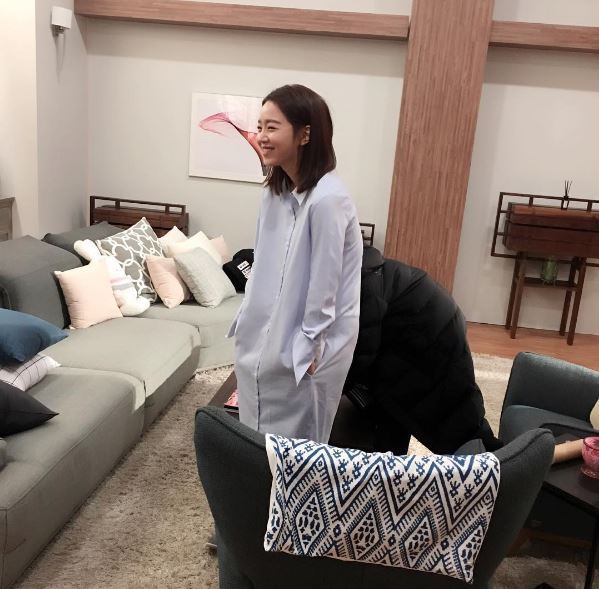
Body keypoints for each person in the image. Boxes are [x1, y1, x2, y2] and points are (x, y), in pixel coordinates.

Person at [228, 84, 362, 443]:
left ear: (305, 134)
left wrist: (310, 345)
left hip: (311, 344)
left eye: (271, 127)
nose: (261, 136)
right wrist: (248, 322)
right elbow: (263, 264)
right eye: (260, 126)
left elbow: (326, 285)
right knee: (255, 435)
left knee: (298, 443)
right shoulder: (274, 194)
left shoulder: (329, 200)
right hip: (267, 333)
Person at [344, 246, 502, 455]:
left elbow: (363, 353)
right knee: (402, 407)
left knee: (452, 416)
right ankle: (391, 465)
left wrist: (334, 386)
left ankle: (500, 462)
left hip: (432, 333)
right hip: (430, 324)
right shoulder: (364, 270)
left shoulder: (363, 283)